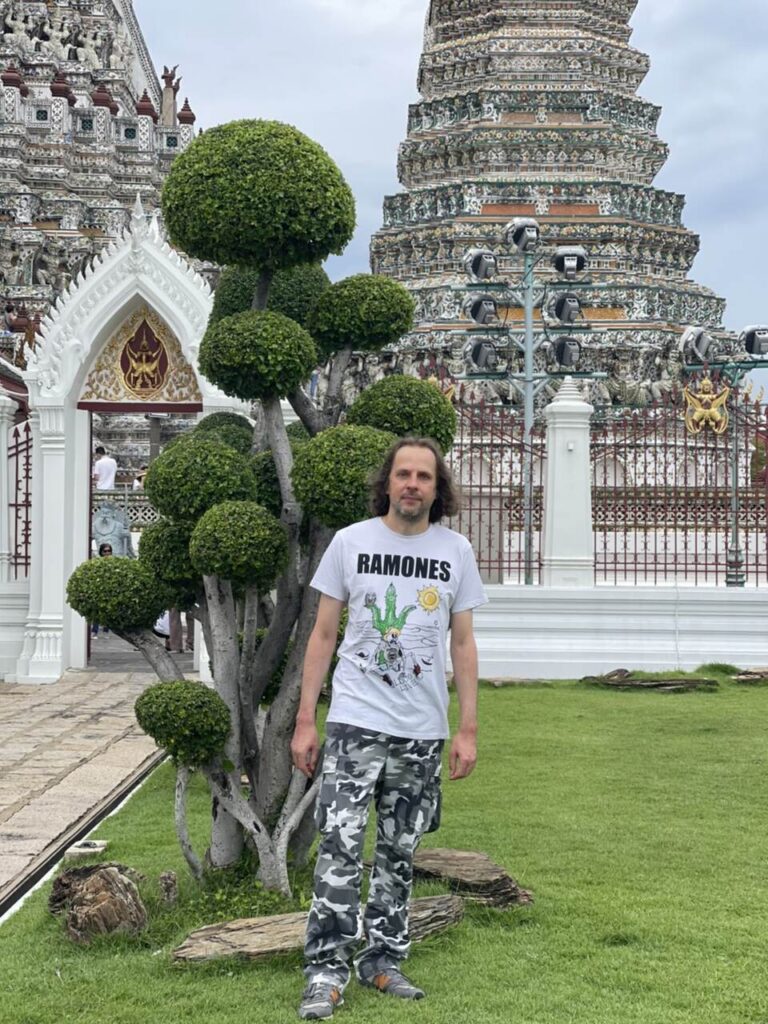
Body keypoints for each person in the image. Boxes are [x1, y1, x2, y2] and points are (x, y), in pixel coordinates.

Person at [291, 437, 486, 1020]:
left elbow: (463, 641)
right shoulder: (350, 543)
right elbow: (322, 635)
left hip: (420, 731)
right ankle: (325, 971)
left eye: (423, 476)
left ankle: (383, 960)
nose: (412, 484)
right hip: (354, 723)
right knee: (340, 847)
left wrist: (467, 728)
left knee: (400, 849)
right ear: (388, 482)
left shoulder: (456, 551)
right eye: (403, 474)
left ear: (436, 487)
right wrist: (307, 720)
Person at [91, 543, 113, 637]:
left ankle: (106, 631)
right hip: (99, 589)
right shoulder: (97, 562)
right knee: (96, 611)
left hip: (109, 589)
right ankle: (94, 631)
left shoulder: (114, 562)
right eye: (105, 551)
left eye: (109, 551)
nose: (107, 553)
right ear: (101, 552)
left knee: (107, 612)